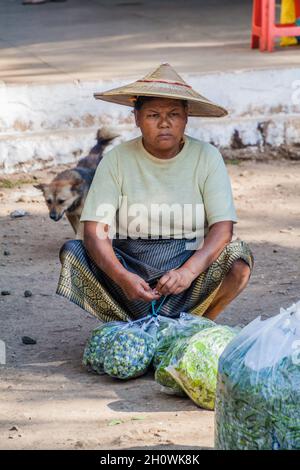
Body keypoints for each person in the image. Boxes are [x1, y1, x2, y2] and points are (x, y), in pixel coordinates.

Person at [56, 63, 254, 323]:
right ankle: (128, 324)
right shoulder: (116, 160)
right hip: (130, 262)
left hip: (188, 260)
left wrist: (187, 272)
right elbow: (95, 231)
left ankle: (197, 325)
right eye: (152, 115)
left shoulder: (207, 157)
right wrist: (122, 276)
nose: (164, 123)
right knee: (73, 251)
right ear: (136, 118)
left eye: (173, 114)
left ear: (186, 117)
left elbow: (223, 228)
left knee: (238, 260)